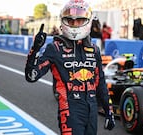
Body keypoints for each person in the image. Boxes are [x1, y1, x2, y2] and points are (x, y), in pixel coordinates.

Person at [24, 0, 115, 135]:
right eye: (70, 21)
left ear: (88, 21)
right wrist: (35, 50)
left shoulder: (94, 50)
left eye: (79, 20)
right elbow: (31, 76)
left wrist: (109, 111)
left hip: (92, 110)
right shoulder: (54, 48)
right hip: (70, 110)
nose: (74, 24)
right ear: (63, 21)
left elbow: (100, 84)